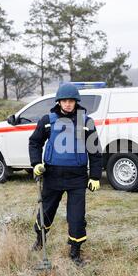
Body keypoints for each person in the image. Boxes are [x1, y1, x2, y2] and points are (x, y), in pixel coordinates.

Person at [29, 83, 102, 266]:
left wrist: (95, 176)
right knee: (46, 212)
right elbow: (34, 143)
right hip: (52, 176)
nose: (68, 104)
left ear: (76, 102)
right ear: (59, 102)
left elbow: (95, 152)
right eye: (64, 101)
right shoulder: (47, 120)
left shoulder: (86, 122)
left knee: (77, 217)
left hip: (77, 179)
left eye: (71, 101)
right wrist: (36, 163)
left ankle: (75, 252)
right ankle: (40, 241)